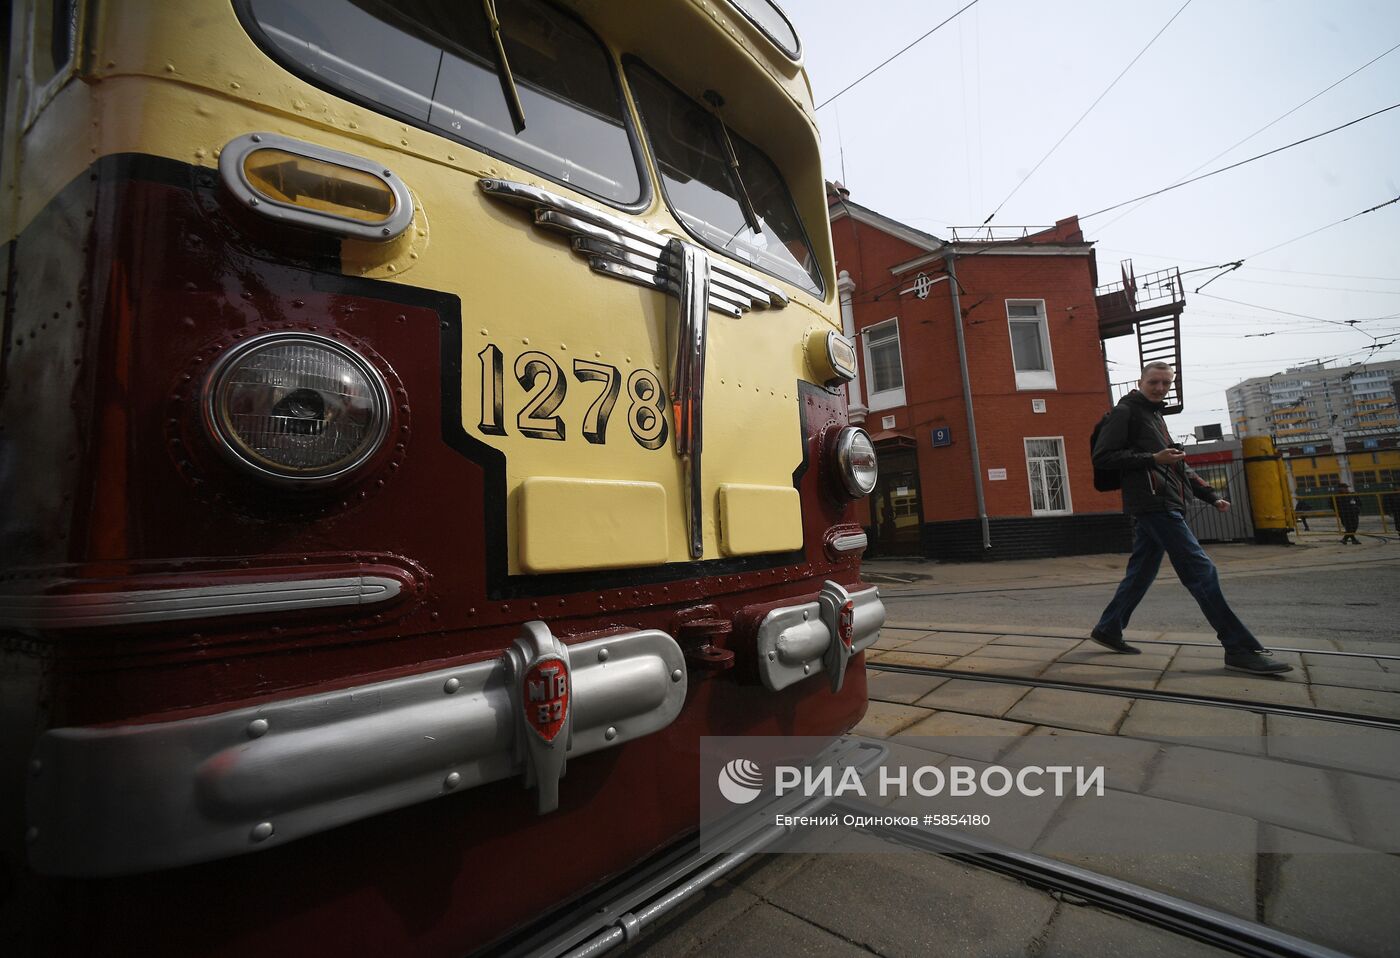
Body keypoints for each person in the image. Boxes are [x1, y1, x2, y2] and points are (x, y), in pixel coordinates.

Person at [1088, 362, 1291, 675]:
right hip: (1153, 504)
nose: (1159, 388)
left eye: (1165, 383)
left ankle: (1108, 628)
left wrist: (1210, 495)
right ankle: (1239, 647)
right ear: (1141, 381)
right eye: (1154, 382)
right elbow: (1103, 456)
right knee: (1201, 571)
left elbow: (1176, 465)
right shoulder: (1126, 412)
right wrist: (1151, 458)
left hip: (1163, 501)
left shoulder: (1154, 415)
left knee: (1141, 573)